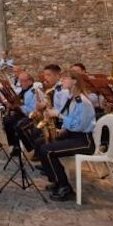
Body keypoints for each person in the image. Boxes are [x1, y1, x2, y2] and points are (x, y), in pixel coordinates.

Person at [37, 71, 96, 201]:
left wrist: (58, 115)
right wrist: (62, 129)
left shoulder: (82, 101)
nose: (61, 81)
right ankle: (57, 181)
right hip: (73, 135)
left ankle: (65, 187)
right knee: (42, 145)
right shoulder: (72, 98)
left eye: (65, 78)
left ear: (74, 81)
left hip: (84, 140)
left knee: (47, 150)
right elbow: (72, 119)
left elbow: (79, 126)